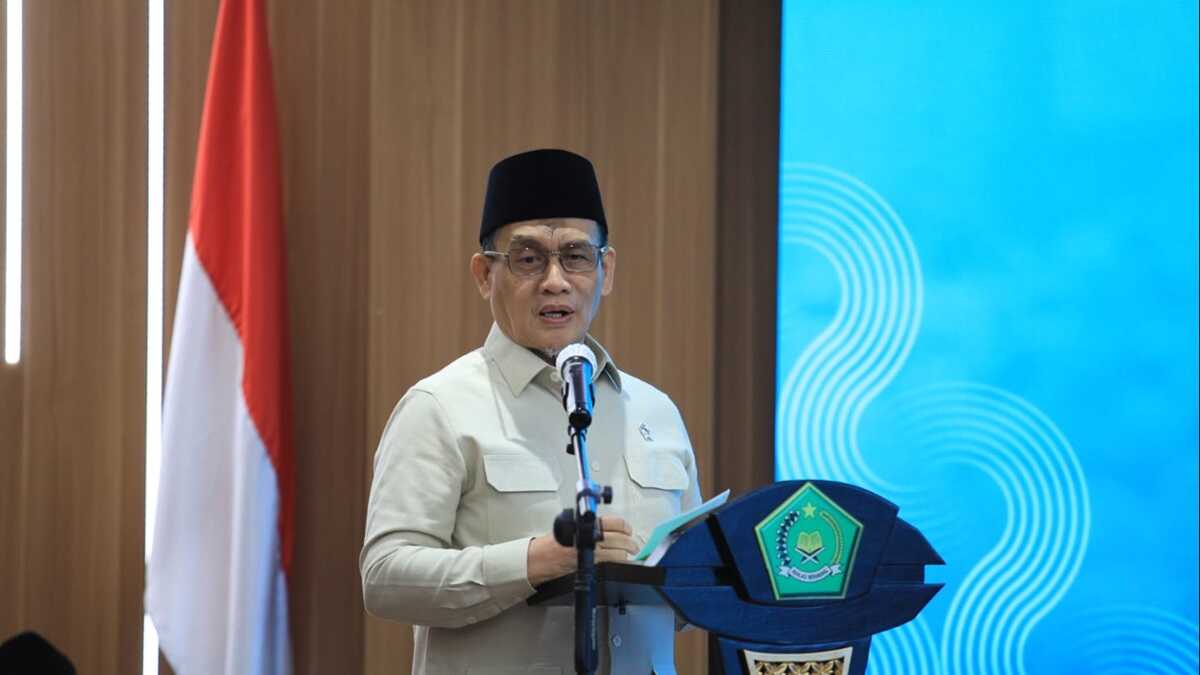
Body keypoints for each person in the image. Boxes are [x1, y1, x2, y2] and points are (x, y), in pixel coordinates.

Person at [361, 148, 703, 674]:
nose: (555, 281)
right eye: (528, 259)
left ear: (606, 270)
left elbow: (695, 586)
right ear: (484, 274)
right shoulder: (439, 407)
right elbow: (385, 578)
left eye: (576, 256)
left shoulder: (656, 412)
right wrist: (535, 561)